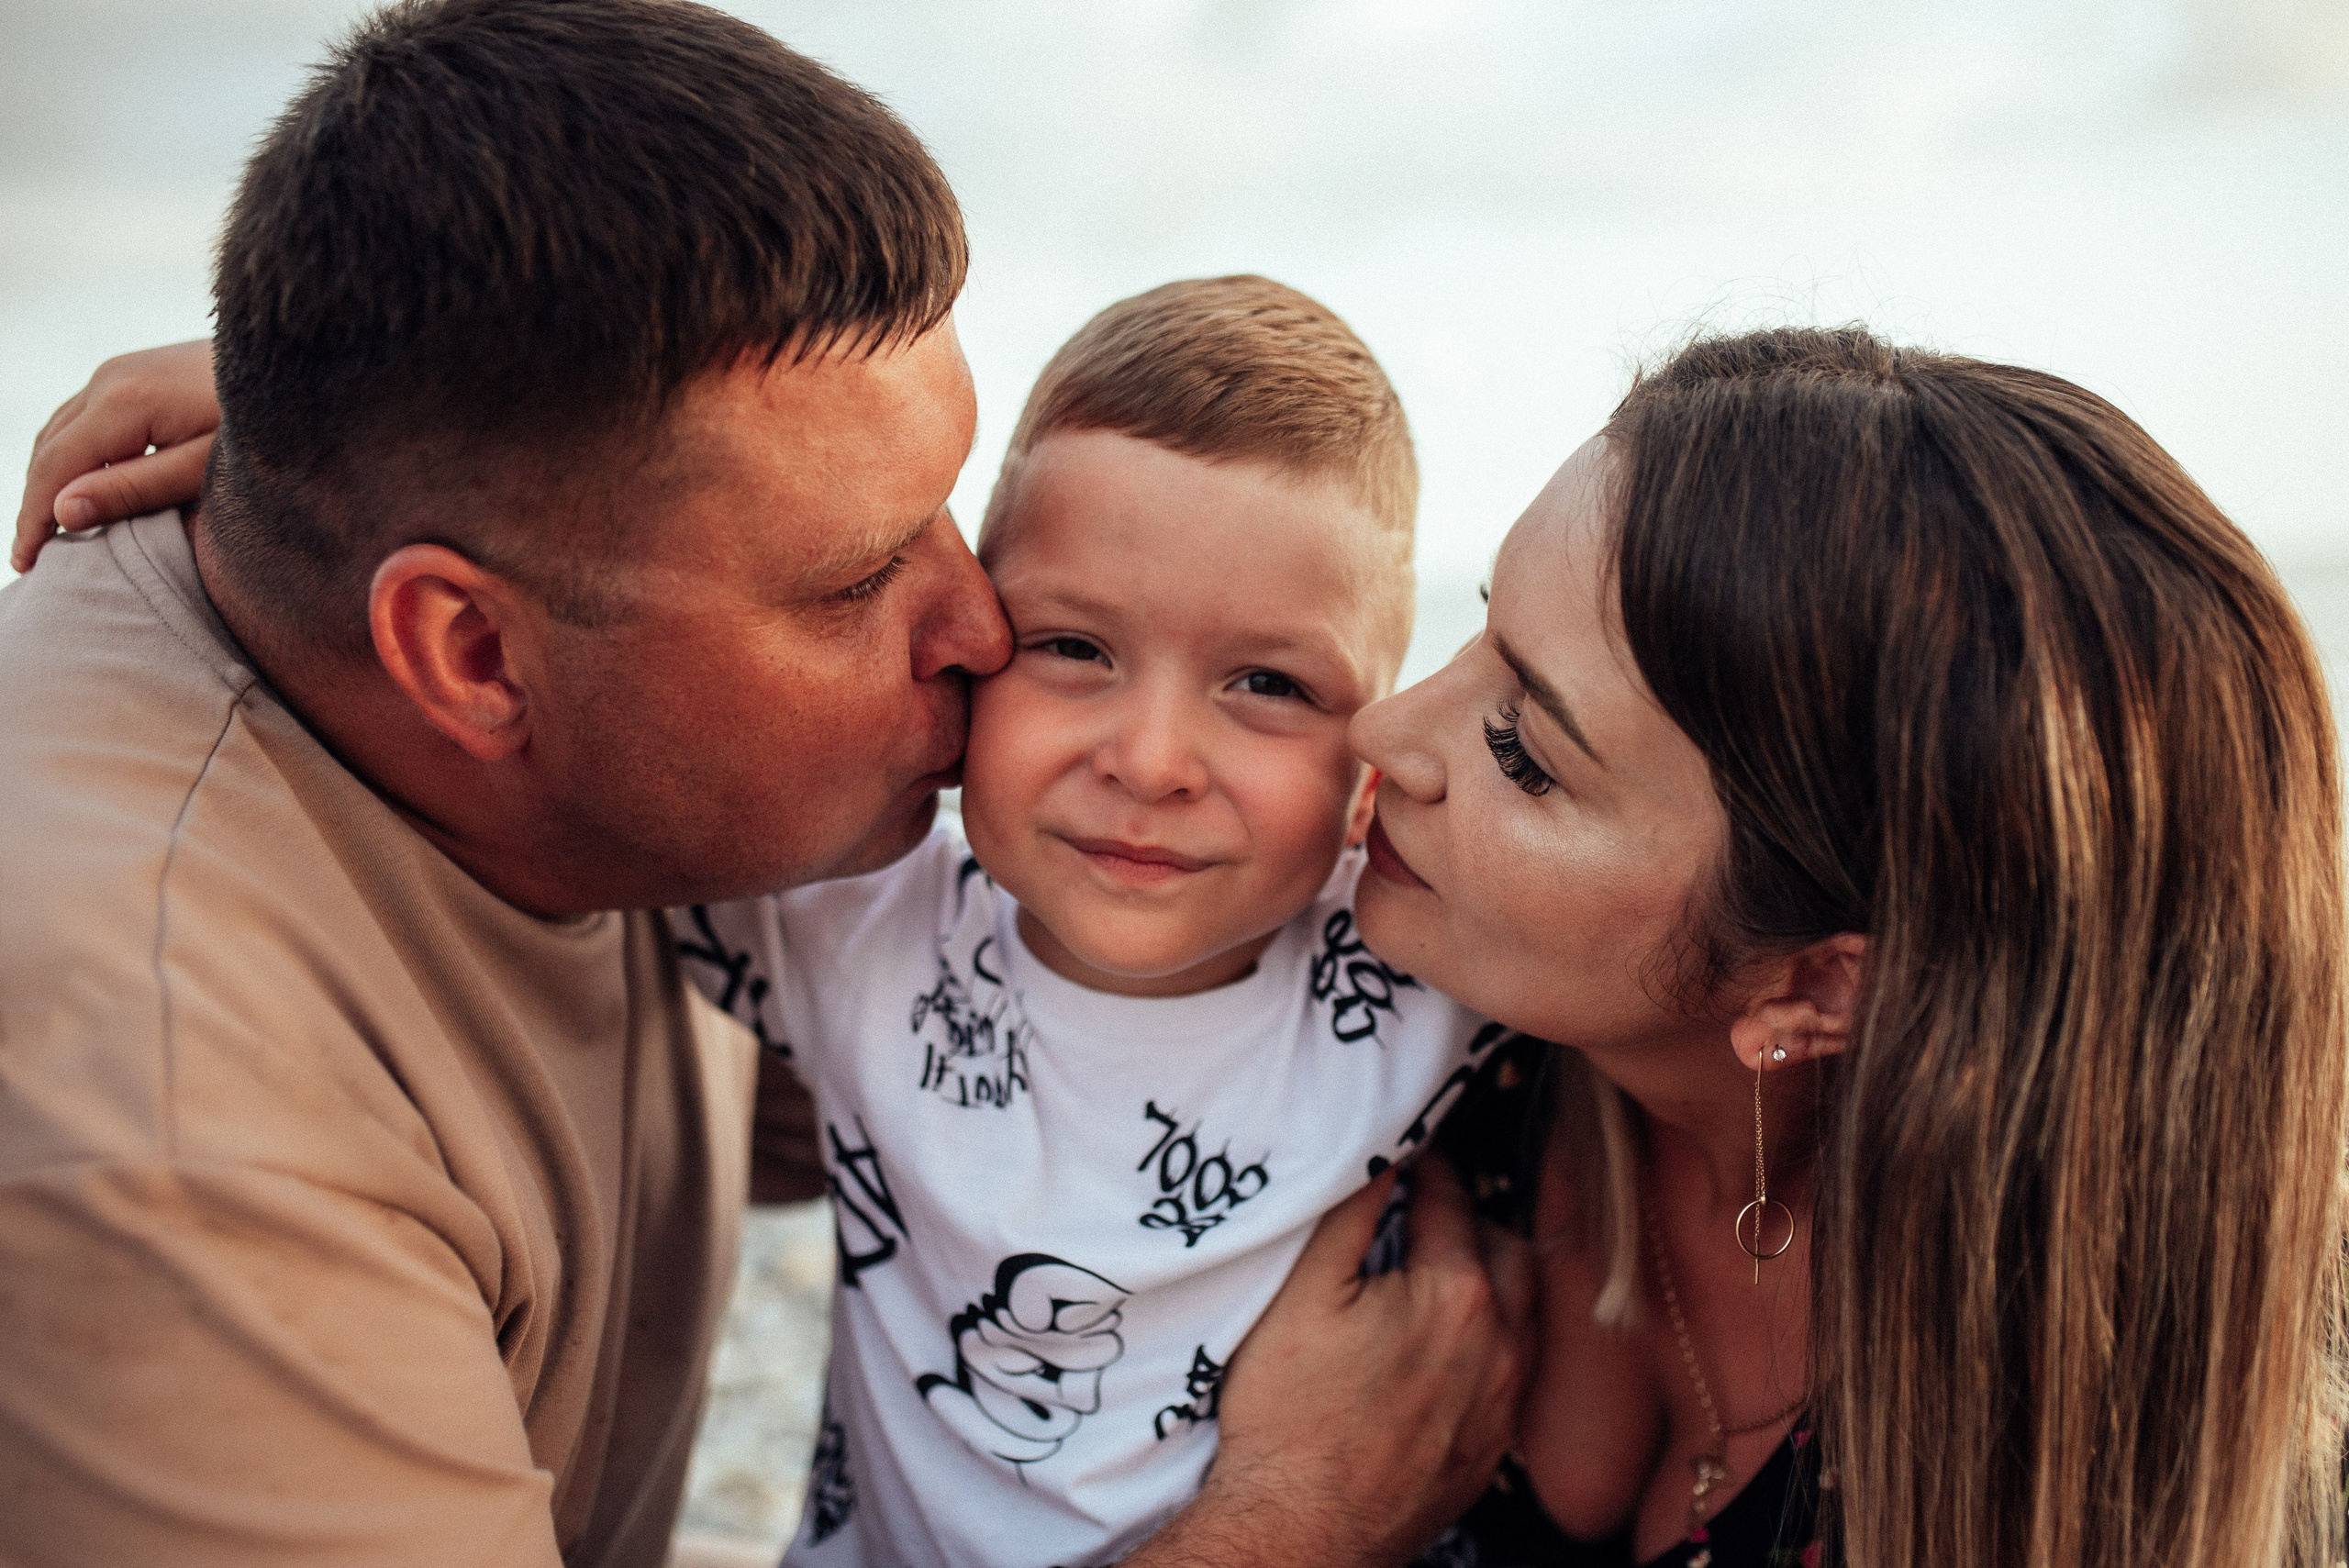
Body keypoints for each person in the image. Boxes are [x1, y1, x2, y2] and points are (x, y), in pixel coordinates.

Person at [0, 3, 1520, 1565]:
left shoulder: (569, 738)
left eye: (952, 516)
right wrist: (1298, 1516)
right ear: (469, 653)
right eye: (861, 573)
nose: (982, 626)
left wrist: (321, 424)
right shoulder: (164, 1113)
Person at [1362, 328, 2347, 1568]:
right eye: (1481, 628)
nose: (1382, 725)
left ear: (1821, 983)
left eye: (1524, 753)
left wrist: (1293, 1516)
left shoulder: (2103, 1480)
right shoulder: (1360, 1029)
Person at [677, 273, 1503, 1565]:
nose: (1155, 757)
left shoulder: (1428, 965)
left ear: (1371, 773)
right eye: (1073, 646)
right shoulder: (847, 918)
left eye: (1269, 682)